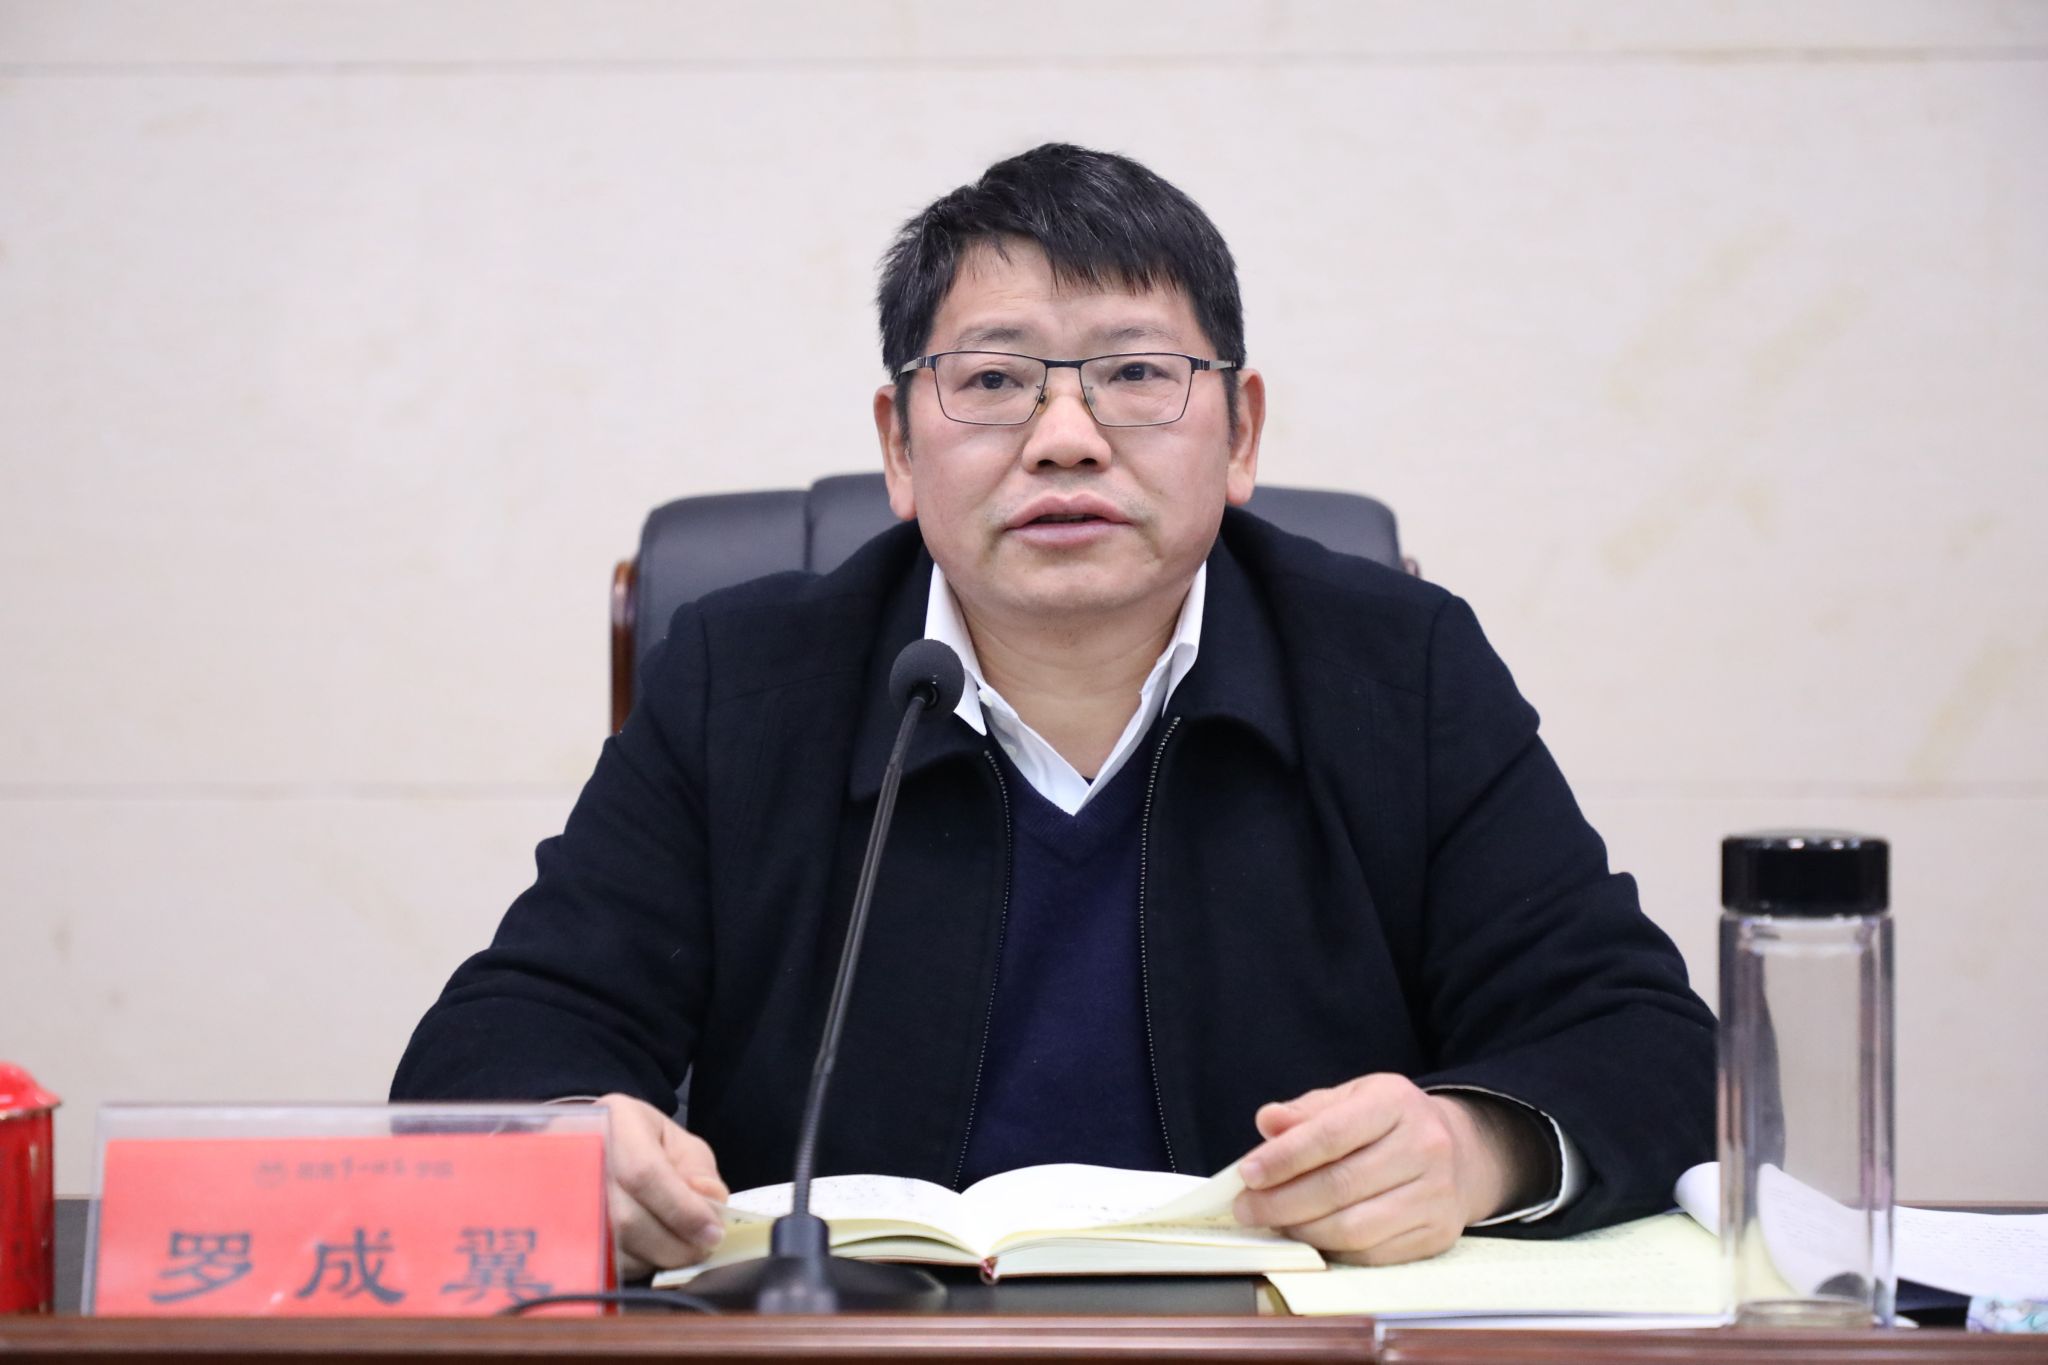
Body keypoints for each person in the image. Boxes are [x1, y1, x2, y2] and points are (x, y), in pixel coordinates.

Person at [393, 143, 1715, 1280]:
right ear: (899, 445)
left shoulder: (1398, 669)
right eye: (993, 381)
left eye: (1137, 374)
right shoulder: (745, 680)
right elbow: (497, 1042)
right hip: (853, 1347)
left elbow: (1646, 1040)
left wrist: (1474, 1148)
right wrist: (576, 1143)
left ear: (1241, 434)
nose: (1066, 435)